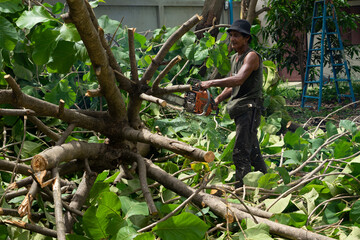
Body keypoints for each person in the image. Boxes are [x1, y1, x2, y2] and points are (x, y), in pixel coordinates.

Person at [200, 19, 267, 188]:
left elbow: (238, 79)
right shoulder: (234, 58)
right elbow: (232, 86)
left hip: (249, 108)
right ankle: (267, 181)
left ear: (246, 38)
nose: (233, 39)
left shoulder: (251, 56)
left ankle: (241, 189)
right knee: (253, 149)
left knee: (240, 151)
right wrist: (217, 99)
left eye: (237, 36)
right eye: (231, 36)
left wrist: (211, 83)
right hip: (240, 109)